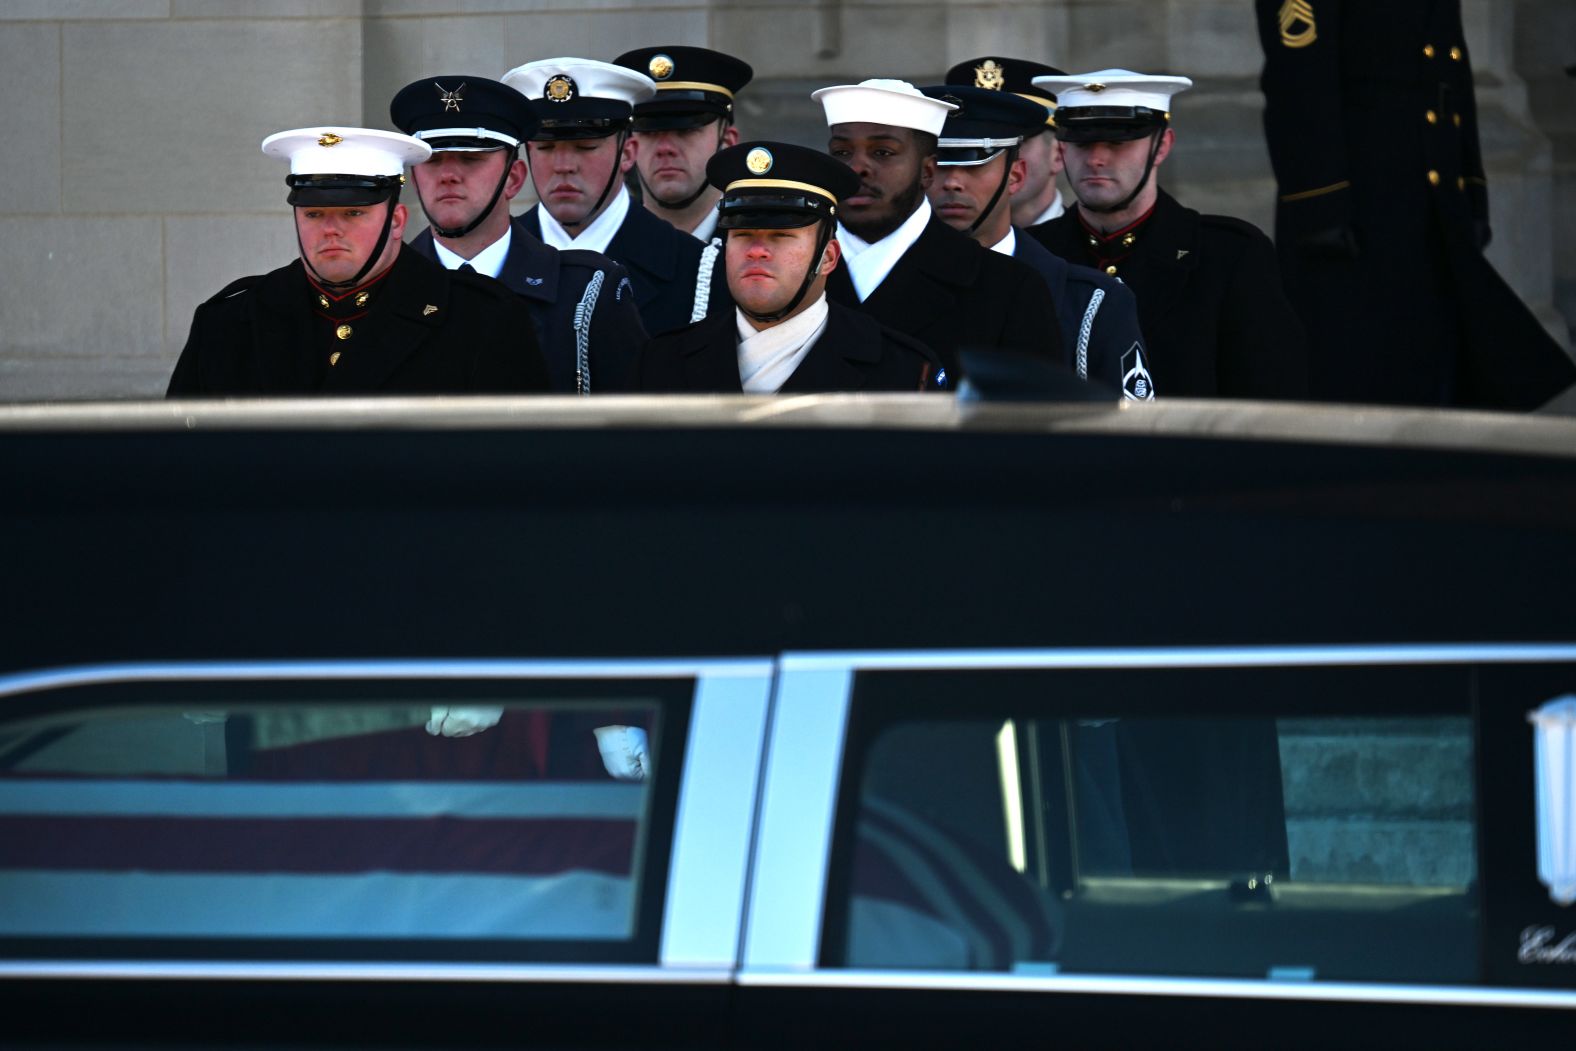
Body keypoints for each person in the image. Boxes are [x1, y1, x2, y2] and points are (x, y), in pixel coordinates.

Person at [1254, 0, 1576, 409]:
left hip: (1429, 195)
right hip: (1361, 199)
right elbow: (1300, 79)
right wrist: (1320, 203)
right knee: (1355, 363)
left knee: (1431, 355)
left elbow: (1451, 73)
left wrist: (1472, 191)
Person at [167, 127, 548, 396]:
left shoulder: (480, 319)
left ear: (396, 221)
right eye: (313, 214)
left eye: (353, 213)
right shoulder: (231, 322)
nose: (330, 230)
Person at [1029, 70, 1308, 399]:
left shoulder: (1230, 255)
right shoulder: (1035, 252)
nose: (1096, 159)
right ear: (1062, 150)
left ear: (1162, 147)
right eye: (1081, 142)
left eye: (1118, 143)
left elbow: (1267, 397)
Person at [389, 75, 648, 393]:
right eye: (433, 161)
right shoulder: (386, 289)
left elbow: (632, 430)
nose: (449, 175)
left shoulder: (588, 292)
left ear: (514, 178)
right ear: (414, 179)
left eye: (471, 159)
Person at [638, 142, 944, 393]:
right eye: (742, 235)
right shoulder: (662, 361)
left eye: (781, 236)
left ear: (828, 257)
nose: (757, 251)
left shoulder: (903, 371)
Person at [812, 78, 1063, 385]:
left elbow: (1031, 422)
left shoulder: (1006, 288)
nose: (857, 167)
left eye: (883, 152)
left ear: (927, 171)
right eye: (841, 153)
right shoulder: (786, 269)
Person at [922, 83, 1152, 399]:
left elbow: (1126, 437)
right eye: (938, 166)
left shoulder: (1092, 302)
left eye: (974, 163)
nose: (952, 182)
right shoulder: (880, 285)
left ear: (1015, 176)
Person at [501, 57, 730, 337]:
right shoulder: (491, 258)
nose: (563, 165)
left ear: (627, 153)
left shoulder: (699, 271)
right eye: (545, 147)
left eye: (586, 147)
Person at [612, 46, 753, 244]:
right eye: (649, 132)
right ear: (629, 146)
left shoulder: (755, 247)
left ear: (727, 141)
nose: (665, 148)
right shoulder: (606, 250)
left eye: (685, 131)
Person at [944, 55, 1071, 232]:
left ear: (1058, 154)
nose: (996, 158)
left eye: (1014, 144)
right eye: (974, 147)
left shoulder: (1088, 254)